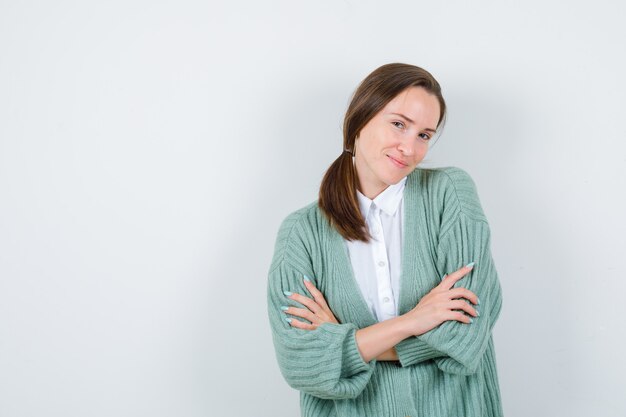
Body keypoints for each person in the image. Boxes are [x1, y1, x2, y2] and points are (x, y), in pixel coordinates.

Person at [266, 63, 504, 417]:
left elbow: (466, 333)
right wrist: (413, 321)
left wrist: (346, 344)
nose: (409, 147)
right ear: (358, 121)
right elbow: (302, 362)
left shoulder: (450, 193)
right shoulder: (301, 233)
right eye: (398, 124)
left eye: (424, 135)